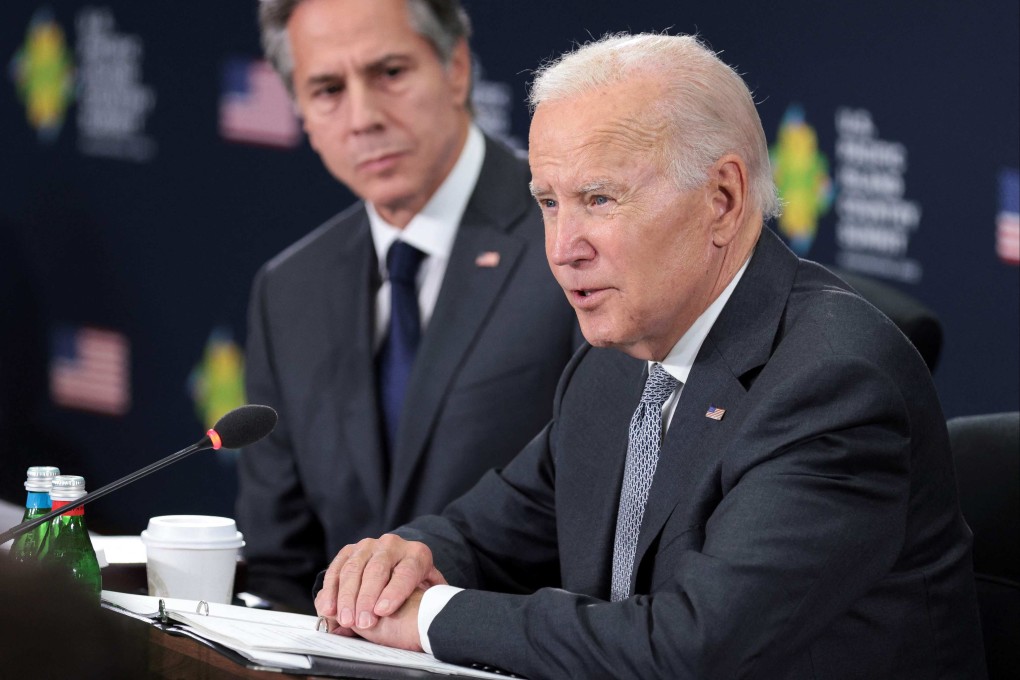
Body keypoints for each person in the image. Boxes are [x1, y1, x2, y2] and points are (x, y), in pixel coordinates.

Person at [313, 33, 988, 678]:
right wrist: (403, 561)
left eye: (599, 199)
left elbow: (689, 651)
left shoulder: (834, 385)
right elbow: (490, 532)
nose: (562, 247)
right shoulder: (617, 363)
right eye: (549, 203)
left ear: (722, 200)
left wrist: (431, 615)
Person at [237, 0, 580, 611]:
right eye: (327, 89)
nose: (363, 117)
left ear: (456, 68)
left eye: (389, 73)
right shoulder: (289, 290)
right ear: (300, 113)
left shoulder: (574, 245)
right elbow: (280, 563)